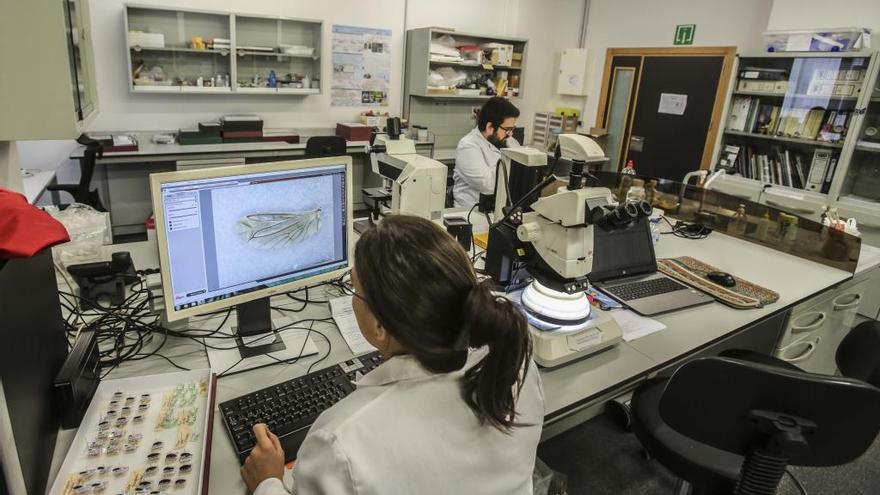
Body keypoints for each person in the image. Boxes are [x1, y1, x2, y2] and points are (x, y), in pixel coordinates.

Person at [241, 215, 545, 495]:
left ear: (379, 326)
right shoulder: (514, 363)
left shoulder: (342, 441)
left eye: (354, 288)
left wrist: (267, 481)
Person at [453, 96, 521, 208]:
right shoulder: (468, 146)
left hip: (503, 208)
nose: (510, 134)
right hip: (472, 212)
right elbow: (488, 185)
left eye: (512, 129)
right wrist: (515, 173)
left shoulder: (510, 141)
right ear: (490, 127)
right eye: (507, 129)